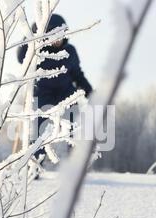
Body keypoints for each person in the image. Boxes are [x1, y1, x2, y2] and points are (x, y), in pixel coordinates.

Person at [17, 14, 93, 159]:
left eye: (61, 35)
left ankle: (74, 162)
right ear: (46, 35)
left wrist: (88, 89)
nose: (58, 39)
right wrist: (31, 36)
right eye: (54, 35)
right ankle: (36, 163)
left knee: (73, 125)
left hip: (66, 93)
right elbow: (21, 58)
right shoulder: (37, 50)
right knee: (40, 129)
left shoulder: (69, 51)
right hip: (43, 93)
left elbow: (77, 74)